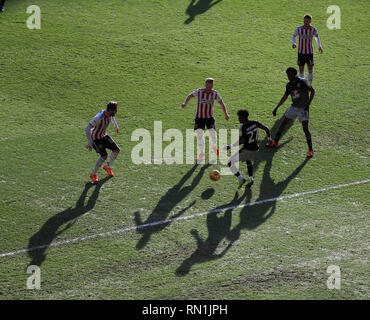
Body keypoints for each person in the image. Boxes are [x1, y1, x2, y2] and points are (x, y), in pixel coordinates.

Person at [266, 67, 315, 158]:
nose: (288, 76)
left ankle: (310, 150)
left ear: (293, 74)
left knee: (305, 129)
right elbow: (285, 97)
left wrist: (309, 103)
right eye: (287, 75)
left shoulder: (304, 82)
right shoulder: (289, 85)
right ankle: (275, 142)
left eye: (289, 75)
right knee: (283, 124)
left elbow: (312, 91)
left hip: (303, 109)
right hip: (294, 107)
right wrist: (277, 107)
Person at [182, 78, 229, 162]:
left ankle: (213, 148)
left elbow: (221, 103)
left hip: (209, 118)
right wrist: (185, 103)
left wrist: (226, 114)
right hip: (199, 118)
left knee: (213, 134)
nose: (209, 89)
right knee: (199, 136)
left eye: (210, 87)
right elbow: (190, 96)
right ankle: (201, 153)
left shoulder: (215, 94)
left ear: (212, 86)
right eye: (208, 87)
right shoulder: (199, 91)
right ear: (205, 85)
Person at [224, 109, 272, 188]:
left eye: (239, 117)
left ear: (243, 117)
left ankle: (241, 179)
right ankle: (250, 178)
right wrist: (269, 139)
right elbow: (266, 129)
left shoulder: (242, 127)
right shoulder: (255, 123)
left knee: (230, 162)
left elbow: (242, 140)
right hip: (255, 149)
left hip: (247, 150)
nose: (238, 118)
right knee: (248, 161)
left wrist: (230, 146)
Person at [85, 101, 120, 183]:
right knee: (104, 156)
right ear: (110, 110)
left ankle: (108, 167)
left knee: (116, 150)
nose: (116, 112)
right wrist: (90, 142)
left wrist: (115, 126)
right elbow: (87, 128)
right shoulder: (98, 118)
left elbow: (112, 117)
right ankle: (93, 174)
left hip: (104, 136)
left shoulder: (109, 114)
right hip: (96, 139)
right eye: (115, 110)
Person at [292, 14, 323, 84]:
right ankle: (302, 84)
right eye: (305, 21)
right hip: (301, 52)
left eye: (307, 21)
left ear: (310, 21)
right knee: (301, 69)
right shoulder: (298, 29)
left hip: (309, 52)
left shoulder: (313, 29)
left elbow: (317, 37)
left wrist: (319, 46)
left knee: (310, 69)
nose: (306, 22)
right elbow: (294, 36)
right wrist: (294, 43)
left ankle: (309, 85)